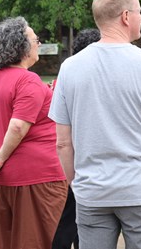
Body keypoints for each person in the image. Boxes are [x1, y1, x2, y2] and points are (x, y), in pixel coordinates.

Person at [49, 0, 141, 249]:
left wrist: (76, 184)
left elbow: (63, 143)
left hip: (92, 191)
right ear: (126, 16)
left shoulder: (70, 68)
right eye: (140, 11)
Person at [0, 16, 68, 249]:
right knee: (36, 241)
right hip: (38, 177)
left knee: (8, 241)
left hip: (5, 177)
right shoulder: (28, 80)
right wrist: (1, 156)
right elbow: (18, 126)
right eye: (36, 39)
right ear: (22, 47)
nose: (38, 44)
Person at [51, 28, 100, 249]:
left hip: (70, 160)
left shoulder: (68, 75)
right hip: (92, 160)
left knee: (67, 217)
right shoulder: (101, 79)